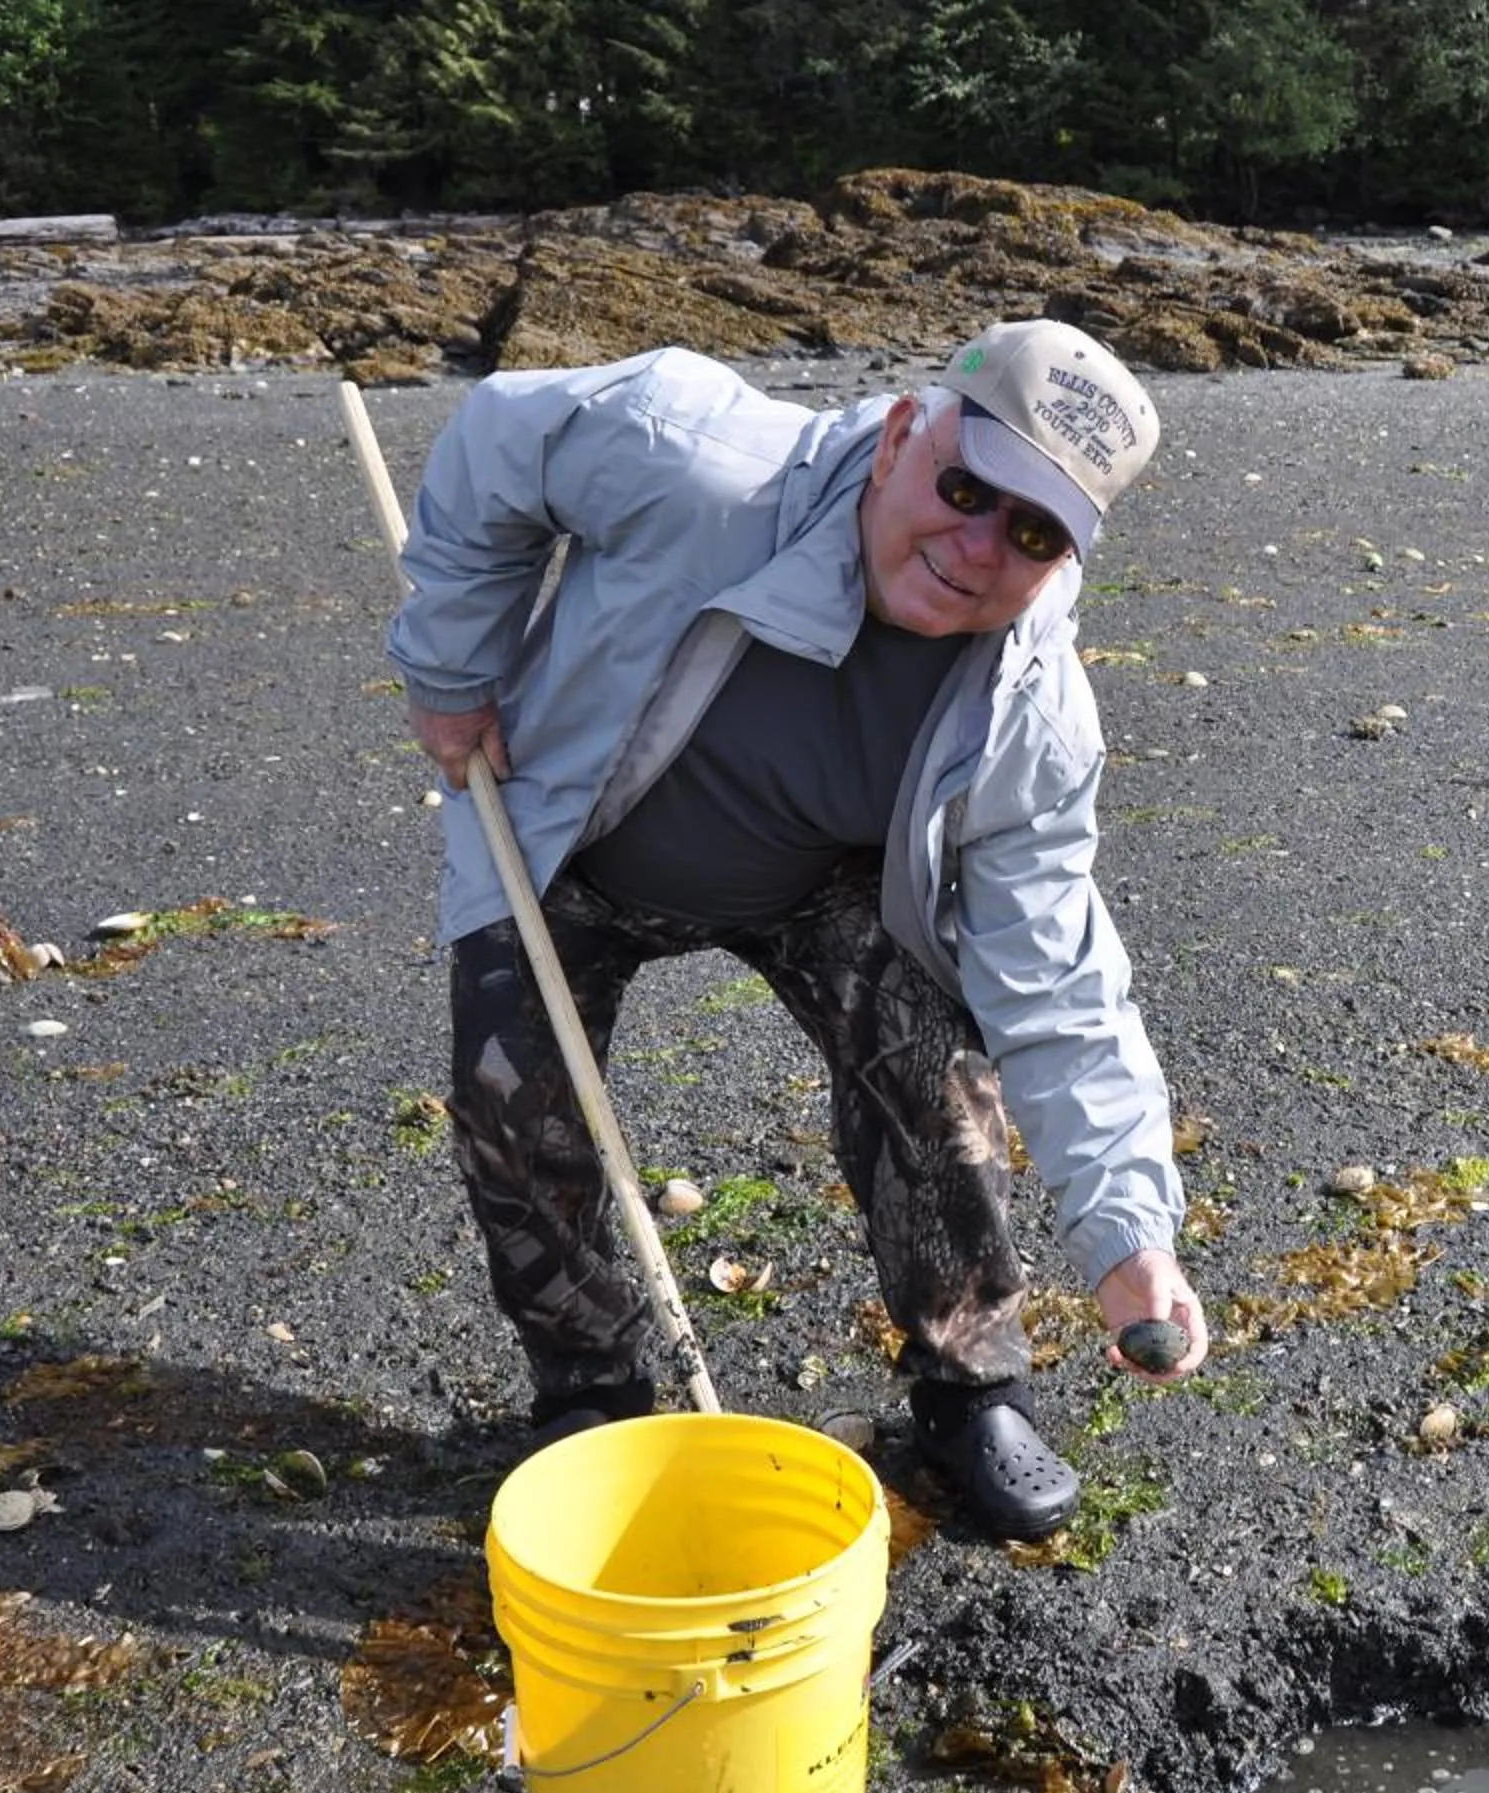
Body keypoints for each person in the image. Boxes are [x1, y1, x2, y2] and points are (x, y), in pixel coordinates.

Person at [387, 321, 1207, 1541]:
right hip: (566, 832)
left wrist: (1130, 1234)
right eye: (967, 489)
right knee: (515, 1099)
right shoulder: (688, 449)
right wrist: (451, 666)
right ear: (898, 441)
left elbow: (1062, 984)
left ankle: (970, 1387)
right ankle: (591, 1394)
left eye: (1033, 533)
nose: (979, 548)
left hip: (817, 879)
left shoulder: (1032, 716)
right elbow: (499, 441)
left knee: (940, 1073)